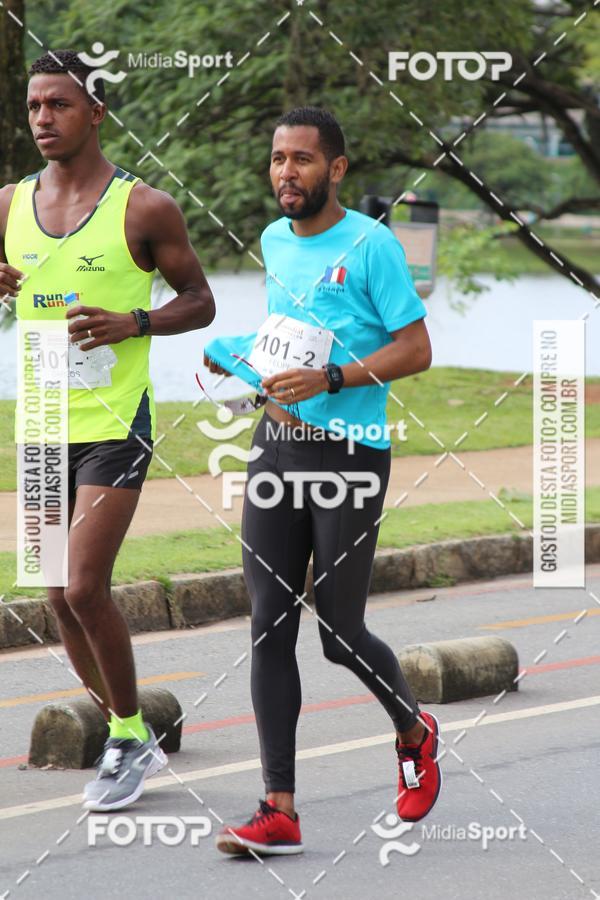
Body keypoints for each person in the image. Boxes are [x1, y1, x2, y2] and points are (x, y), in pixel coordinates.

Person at [205, 107, 440, 857]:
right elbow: (290, 328)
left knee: (339, 635)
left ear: (336, 168)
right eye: (278, 158)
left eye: (302, 159)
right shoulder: (275, 240)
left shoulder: (373, 247)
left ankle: (413, 728)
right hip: (274, 447)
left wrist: (334, 377)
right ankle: (279, 809)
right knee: (269, 626)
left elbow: (416, 348)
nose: (286, 173)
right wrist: (235, 355)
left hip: (351, 457)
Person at [0, 49, 215, 811]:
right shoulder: (7, 205)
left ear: (95, 111)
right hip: (43, 421)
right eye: (33, 107)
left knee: (86, 583)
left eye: (58, 104)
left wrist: (136, 321)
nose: (43, 120)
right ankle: (129, 728)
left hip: (116, 424)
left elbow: (201, 301)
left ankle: (126, 742)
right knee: (56, 594)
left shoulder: (143, 207)